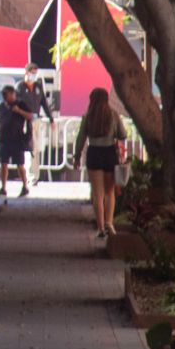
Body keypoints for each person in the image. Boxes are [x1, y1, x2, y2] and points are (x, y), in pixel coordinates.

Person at [72, 87, 122, 238]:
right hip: (109, 153)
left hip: (93, 153)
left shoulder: (88, 116)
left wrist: (76, 157)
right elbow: (123, 134)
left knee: (97, 194)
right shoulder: (113, 115)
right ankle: (109, 224)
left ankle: (100, 228)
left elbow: (80, 138)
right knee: (109, 192)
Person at [0, 83, 34, 202]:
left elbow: (30, 116)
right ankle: (3, 188)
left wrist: (19, 111)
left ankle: (25, 186)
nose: (5, 98)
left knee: (19, 165)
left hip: (16, 139)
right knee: (3, 163)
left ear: (12, 94)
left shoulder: (21, 104)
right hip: (3, 139)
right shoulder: (2, 106)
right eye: (3, 95)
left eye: (6, 95)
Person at [20, 66, 57, 184]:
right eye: (32, 73)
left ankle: (33, 175)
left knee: (35, 148)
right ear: (26, 73)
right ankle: (30, 175)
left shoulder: (38, 87)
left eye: (36, 73)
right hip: (25, 120)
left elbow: (44, 103)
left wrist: (51, 119)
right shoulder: (20, 87)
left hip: (36, 120)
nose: (34, 76)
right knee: (31, 147)